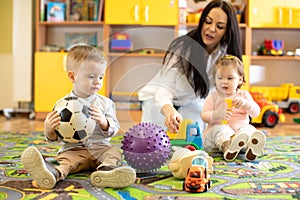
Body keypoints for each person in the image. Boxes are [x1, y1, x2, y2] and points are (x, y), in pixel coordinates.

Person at [21, 45, 136, 190]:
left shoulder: (105, 103)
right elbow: (56, 137)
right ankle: (52, 174)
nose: (97, 82)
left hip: (100, 148)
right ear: (72, 76)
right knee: (65, 161)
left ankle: (106, 172)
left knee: (113, 153)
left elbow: (114, 129)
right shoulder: (62, 105)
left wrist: (104, 122)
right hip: (73, 149)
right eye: (91, 76)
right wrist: (49, 130)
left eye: (101, 77)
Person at [138, 0, 242, 133]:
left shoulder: (226, 55)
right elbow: (164, 89)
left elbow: (224, 91)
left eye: (220, 26)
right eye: (208, 22)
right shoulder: (183, 47)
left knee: (194, 139)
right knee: (152, 141)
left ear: (227, 32)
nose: (211, 29)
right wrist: (169, 110)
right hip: (159, 99)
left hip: (190, 102)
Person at [201, 55, 266, 161]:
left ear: (240, 80)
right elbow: (204, 116)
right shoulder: (213, 96)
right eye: (220, 78)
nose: (224, 81)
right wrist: (216, 114)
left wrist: (246, 104)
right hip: (218, 132)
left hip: (240, 131)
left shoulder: (243, 95)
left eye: (230, 78)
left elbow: (256, 113)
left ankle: (251, 147)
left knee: (249, 130)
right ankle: (227, 145)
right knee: (222, 130)